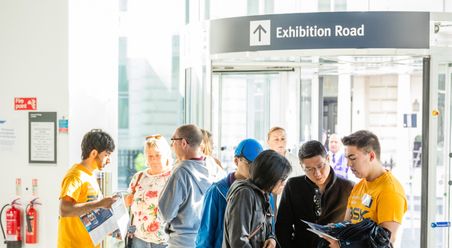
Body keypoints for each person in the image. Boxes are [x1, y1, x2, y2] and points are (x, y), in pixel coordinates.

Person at [324, 130, 408, 247]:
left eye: (352, 158)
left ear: (371, 156)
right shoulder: (359, 186)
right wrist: (332, 229)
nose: (348, 164)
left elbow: (384, 242)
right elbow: (348, 224)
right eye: (347, 158)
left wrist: (343, 246)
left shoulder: (390, 191)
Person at [275, 140, 354, 247]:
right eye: (309, 169)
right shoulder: (293, 186)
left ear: (328, 159)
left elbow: (355, 230)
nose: (317, 174)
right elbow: (283, 228)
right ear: (301, 166)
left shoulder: (349, 188)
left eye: (320, 166)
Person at [195, 138, 264, 248]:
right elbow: (205, 236)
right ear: (236, 161)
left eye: (259, 164)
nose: (255, 169)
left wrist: (271, 238)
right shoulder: (216, 191)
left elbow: (270, 227)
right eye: (250, 164)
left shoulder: (264, 191)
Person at [57, 129, 117, 248]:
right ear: (94, 153)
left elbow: (90, 211)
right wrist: (100, 203)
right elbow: (64, 210)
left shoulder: (90, 175)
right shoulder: (75, 176)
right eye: (106, 155)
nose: (109, 160)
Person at [158, 124, 215, 248]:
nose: (172, 146)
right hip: (203, 240)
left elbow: (165, 214)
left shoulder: (180, 173)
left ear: (183, 143)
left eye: (173, 140)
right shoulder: (211, 167)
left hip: (181, 242)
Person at [223, 150, 292, 248]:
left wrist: (271, 239)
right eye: (283, 178)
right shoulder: (244, 194)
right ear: (270, 176)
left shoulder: (265, 194)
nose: (284, 183)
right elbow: (238, 242)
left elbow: (267, 229)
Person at [127, 134, 173, 248]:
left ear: (166, 155)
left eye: (158, 155)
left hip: (164, 240)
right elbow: (129, 204)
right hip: (138, 239)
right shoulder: (139, 177)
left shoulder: (173, 177)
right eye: (150, 156)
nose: (154, 160)